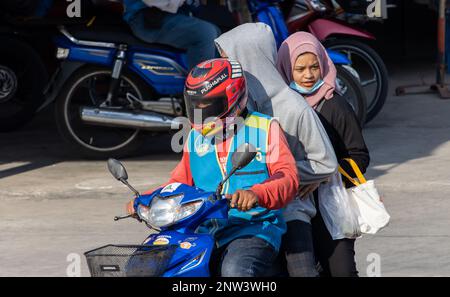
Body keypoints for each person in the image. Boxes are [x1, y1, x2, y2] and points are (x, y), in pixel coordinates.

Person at [126, 58, 299, 276]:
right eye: (196, 105)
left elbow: (288, 177)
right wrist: (146, 201)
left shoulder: (265, 128)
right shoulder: (194, 138)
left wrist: (256, 193)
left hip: (253, 228)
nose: (201, 111)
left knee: (234, 271)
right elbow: (178, 184)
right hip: (202, 230)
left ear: (234, 98)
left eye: (209, 105)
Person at [214, 23, 338, 277]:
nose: (223, 65)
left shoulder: (293, 107)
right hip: (249, 211)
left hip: (292, 208)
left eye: (227, 58)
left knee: (300, 271)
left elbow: (325, 162)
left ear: (248, 57)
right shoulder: (240, 107)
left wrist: (287, 177)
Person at [276, 31, 371, 277]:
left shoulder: (335, 105)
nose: (308, 75)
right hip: (294, 201)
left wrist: (324, 175)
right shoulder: (281, 107)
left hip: (331, 204)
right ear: (287, 69)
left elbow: (359, 155)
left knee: (341, 270)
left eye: (314, 67)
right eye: (300, 69)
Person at [122, 0, 220, 70]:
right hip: (146, 18)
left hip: (165, 13)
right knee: (205, 33)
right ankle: (200, 92)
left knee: (216, 33)